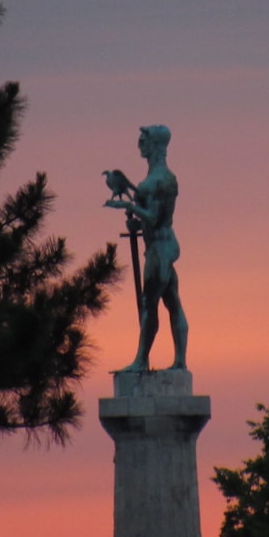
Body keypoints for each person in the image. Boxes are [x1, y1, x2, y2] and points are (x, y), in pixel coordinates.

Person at [105, 125, 189, 371]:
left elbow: (153, 218)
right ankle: (179, 361)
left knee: (149, 303)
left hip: (159, 249)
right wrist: (136, 223)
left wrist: (127, 208)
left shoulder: (156, 181)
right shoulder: (161, 179)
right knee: (172, 301)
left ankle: (141, 360)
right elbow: (153, 218)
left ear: (156, 146)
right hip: (162, 244)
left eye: (145, 140)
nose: (140, 144)